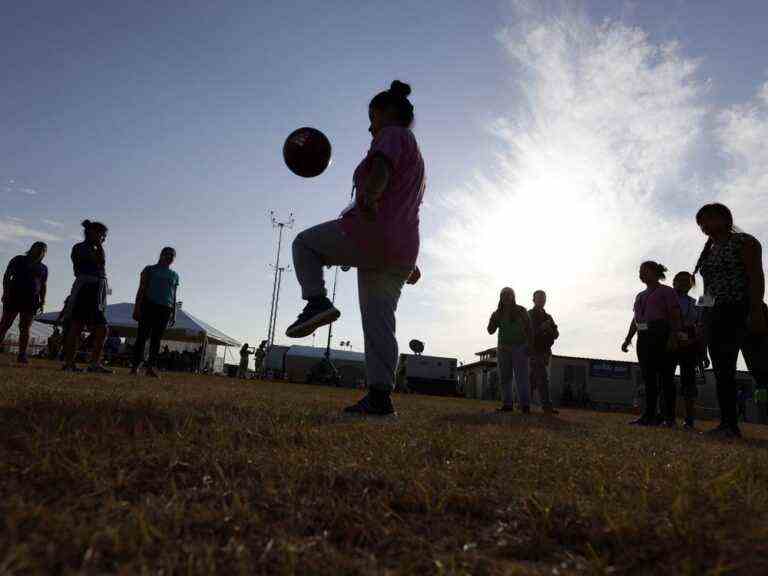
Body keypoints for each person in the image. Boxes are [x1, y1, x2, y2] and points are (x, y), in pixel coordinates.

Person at [285, 80, 425, 416]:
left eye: (372, 117)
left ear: (386, 114)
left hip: (371, 234)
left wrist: (370, 194)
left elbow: (381, 168)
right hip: (401, 249)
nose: (369, 126)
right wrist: (408, 261)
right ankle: (380, 399)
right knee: (379, 323)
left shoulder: (392, 135)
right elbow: (406, 206)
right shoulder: (417, 155)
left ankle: (316, 302)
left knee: (304, 244)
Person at [693, 203, 768, 438]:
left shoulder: (744, 241)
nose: (704, 226)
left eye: (708, 219)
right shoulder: (708, 251)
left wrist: (756, 312)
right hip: (717, 316)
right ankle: (728, 424)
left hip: (744, 309)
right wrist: (704, 320)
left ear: (725, 218)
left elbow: (756, 275)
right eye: (701, 223)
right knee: (723, 372)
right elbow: (708, 290)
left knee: (762, 370)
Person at [622, 261, 682, 427]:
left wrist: (673, 336)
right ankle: (649, 415)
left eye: (645, 271)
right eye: (640, 271)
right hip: (644, 336)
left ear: (655, 272)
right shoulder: (640, 296)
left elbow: (674, 314)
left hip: (661, 332)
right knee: (648, 378)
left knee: (666, 377)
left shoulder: (667, 291)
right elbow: (636, 320)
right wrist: (628, 339)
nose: (641, 274)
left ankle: (669, 417)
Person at [62, 220, 112, 373]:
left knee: (102, 328)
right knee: (76, 326)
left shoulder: (97, 248)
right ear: (93, 233)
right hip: (85, 287)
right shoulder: (80, 248)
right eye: (102, 235)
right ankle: (69, 363)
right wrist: (95, 240)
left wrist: (98, 244)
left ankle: (94, 363)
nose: (103, 239)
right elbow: (96, 263)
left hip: (98, 290)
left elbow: (101, 263)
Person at [131, 247, 179, 377]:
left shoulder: (174, 275)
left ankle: (150, 367)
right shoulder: (149, 269)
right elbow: (141, 288)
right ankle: (135, 366)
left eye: (172, 256)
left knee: (156, 339)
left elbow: (174, 295)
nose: (169, 257)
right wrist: (137, 307)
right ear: (161, 255)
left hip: (165, 308)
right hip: (149, 305)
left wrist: (174, 313)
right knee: (142, 337)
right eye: (167, 254)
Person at [0, 241, 48, 364]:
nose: (39, 252)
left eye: (42, 251)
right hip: (14, 296)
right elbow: (7, 276)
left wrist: (42, 301)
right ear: (31, 249)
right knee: (5, 324)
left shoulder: (43, 268)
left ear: (44, 253)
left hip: (31, 300)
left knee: (25, 327)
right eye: (37, 249)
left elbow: (43, 285)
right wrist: (6, 292)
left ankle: (22, 355)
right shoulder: (18, 260)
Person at [488, 287, 534, 413]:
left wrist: (530, 346)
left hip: (520, 348)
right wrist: (493, 318)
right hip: (503, 349)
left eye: (509, 295)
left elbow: (529, 329)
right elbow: (490, 330)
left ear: (513, 297)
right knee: (505, 378)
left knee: (522, 377)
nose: (506, 297)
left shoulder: (521, 310)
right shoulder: (498, 313)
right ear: (500, 298)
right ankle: (507, 405)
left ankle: (525, 406)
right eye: (504, 295)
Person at [670, 271, 704, 429]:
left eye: (688, 281)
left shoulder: (695, 303)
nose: (684, 283)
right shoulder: (666, 298)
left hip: (689, 345)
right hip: (668, 342)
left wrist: (700, 349)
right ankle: (667, 416)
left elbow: (700, 328)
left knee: (688, 381)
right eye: (680, 280)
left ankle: (689, 419)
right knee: (665, 379)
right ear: (674, 281)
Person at [528, 290, 560, 414]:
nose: (541, 300)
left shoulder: (548, 317)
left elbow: (556, 334)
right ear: (534, 300)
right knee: (542, 378)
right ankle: (546, 406)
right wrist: (541, 328)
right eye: (539, 298)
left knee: (533, 379)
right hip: (534, 351)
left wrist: (550, 330)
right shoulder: (529, 314)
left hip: (545, 351)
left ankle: (523, 403)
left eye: (543, 298)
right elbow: (527, 333)